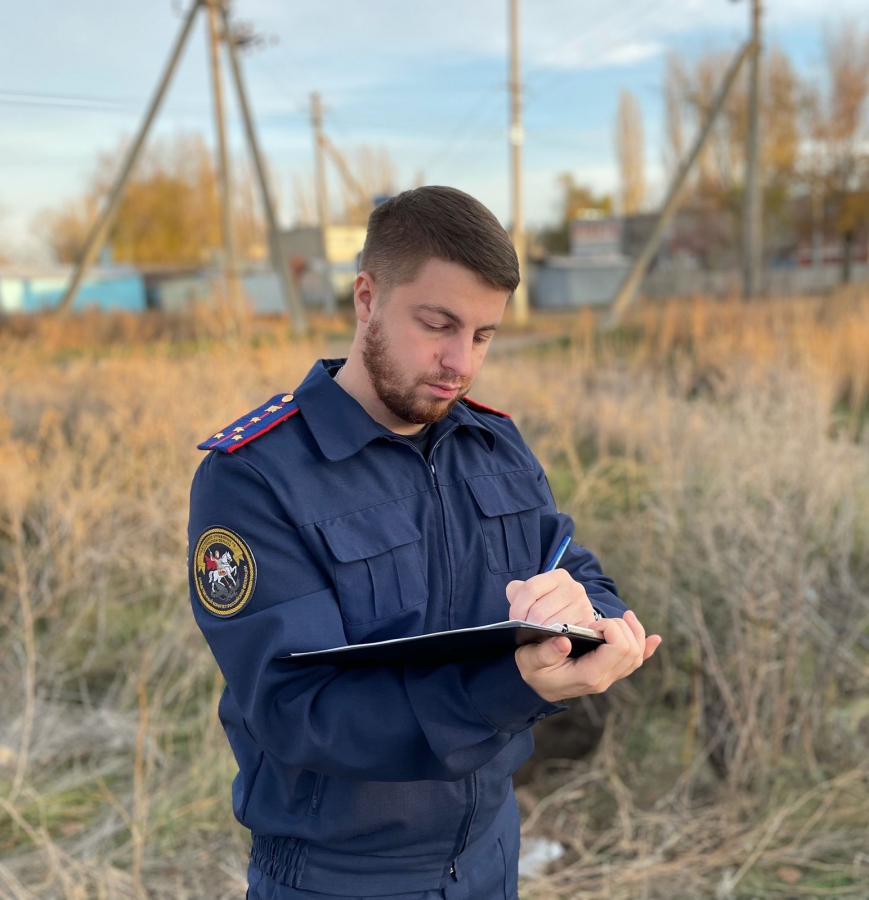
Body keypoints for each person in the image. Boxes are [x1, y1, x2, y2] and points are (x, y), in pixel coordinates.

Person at [188, 186, 661, 900]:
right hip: (339, 874)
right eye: (437, 325)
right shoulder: (256, 477)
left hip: (489, 851)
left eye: (482, 335)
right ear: (366, 297)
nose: (459, 363)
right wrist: (513, 683)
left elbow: (570, 563)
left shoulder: (492, 443)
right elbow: (298, 711)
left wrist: (588, 620)